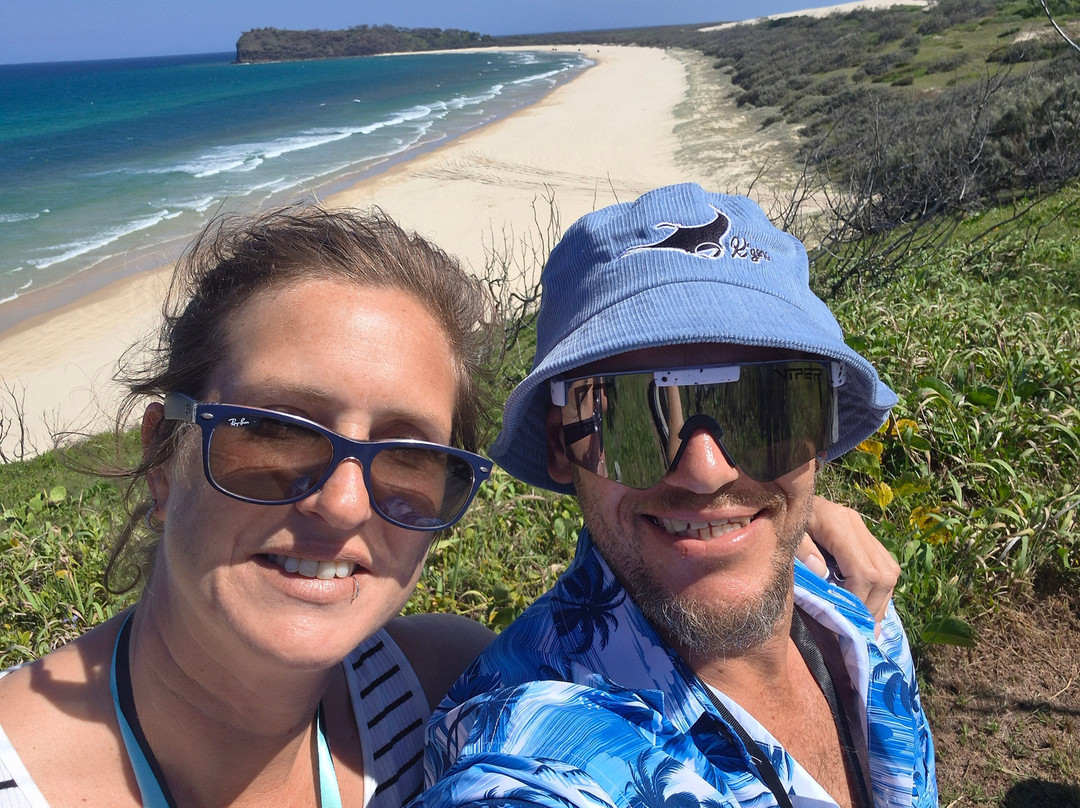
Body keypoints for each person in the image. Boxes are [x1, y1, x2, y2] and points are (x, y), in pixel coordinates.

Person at [0, 203, 895, 808]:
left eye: (407, 457)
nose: (344, 503)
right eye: (273, 433)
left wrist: (771, 514)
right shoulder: (519, 747)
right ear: (165, 455)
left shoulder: (429, 677)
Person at [421, 184, 937, 808]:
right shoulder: (531, 754)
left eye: (764, 409)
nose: (707, 470)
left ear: (820, 430)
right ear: (562, 444)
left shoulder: (852, 610)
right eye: (630, 417)